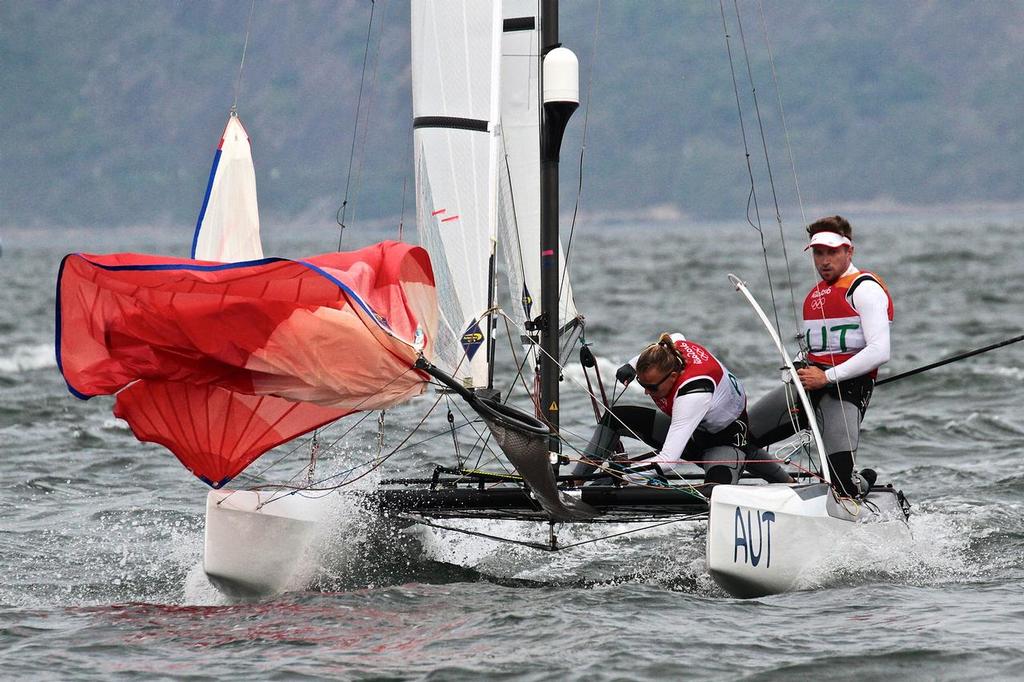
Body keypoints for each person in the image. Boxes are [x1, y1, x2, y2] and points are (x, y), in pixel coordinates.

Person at [747, 215, 893, 497]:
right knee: (739, 438)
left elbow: (879, 351)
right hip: (809, 386)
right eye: (818, 253)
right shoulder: (815, 296)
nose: (824, 261)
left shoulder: (865, 289)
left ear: (849, 251)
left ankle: (862, 481)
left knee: (841, 484)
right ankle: (782, 485)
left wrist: (826, 377)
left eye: (832, 252)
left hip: (844, 389)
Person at [570, 332, 792, 486]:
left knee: (715, 494)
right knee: (615, 417)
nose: (647, 392)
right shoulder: (673, 351)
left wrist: (621, 475)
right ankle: (574, 483)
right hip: (693, 433)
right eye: (642, 384)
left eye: (652, 387)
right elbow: (673, 337)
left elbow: (667, 462)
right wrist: (631, 364)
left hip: (723, 443)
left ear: (674, 376)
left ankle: (788, 484)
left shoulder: (693, 394)